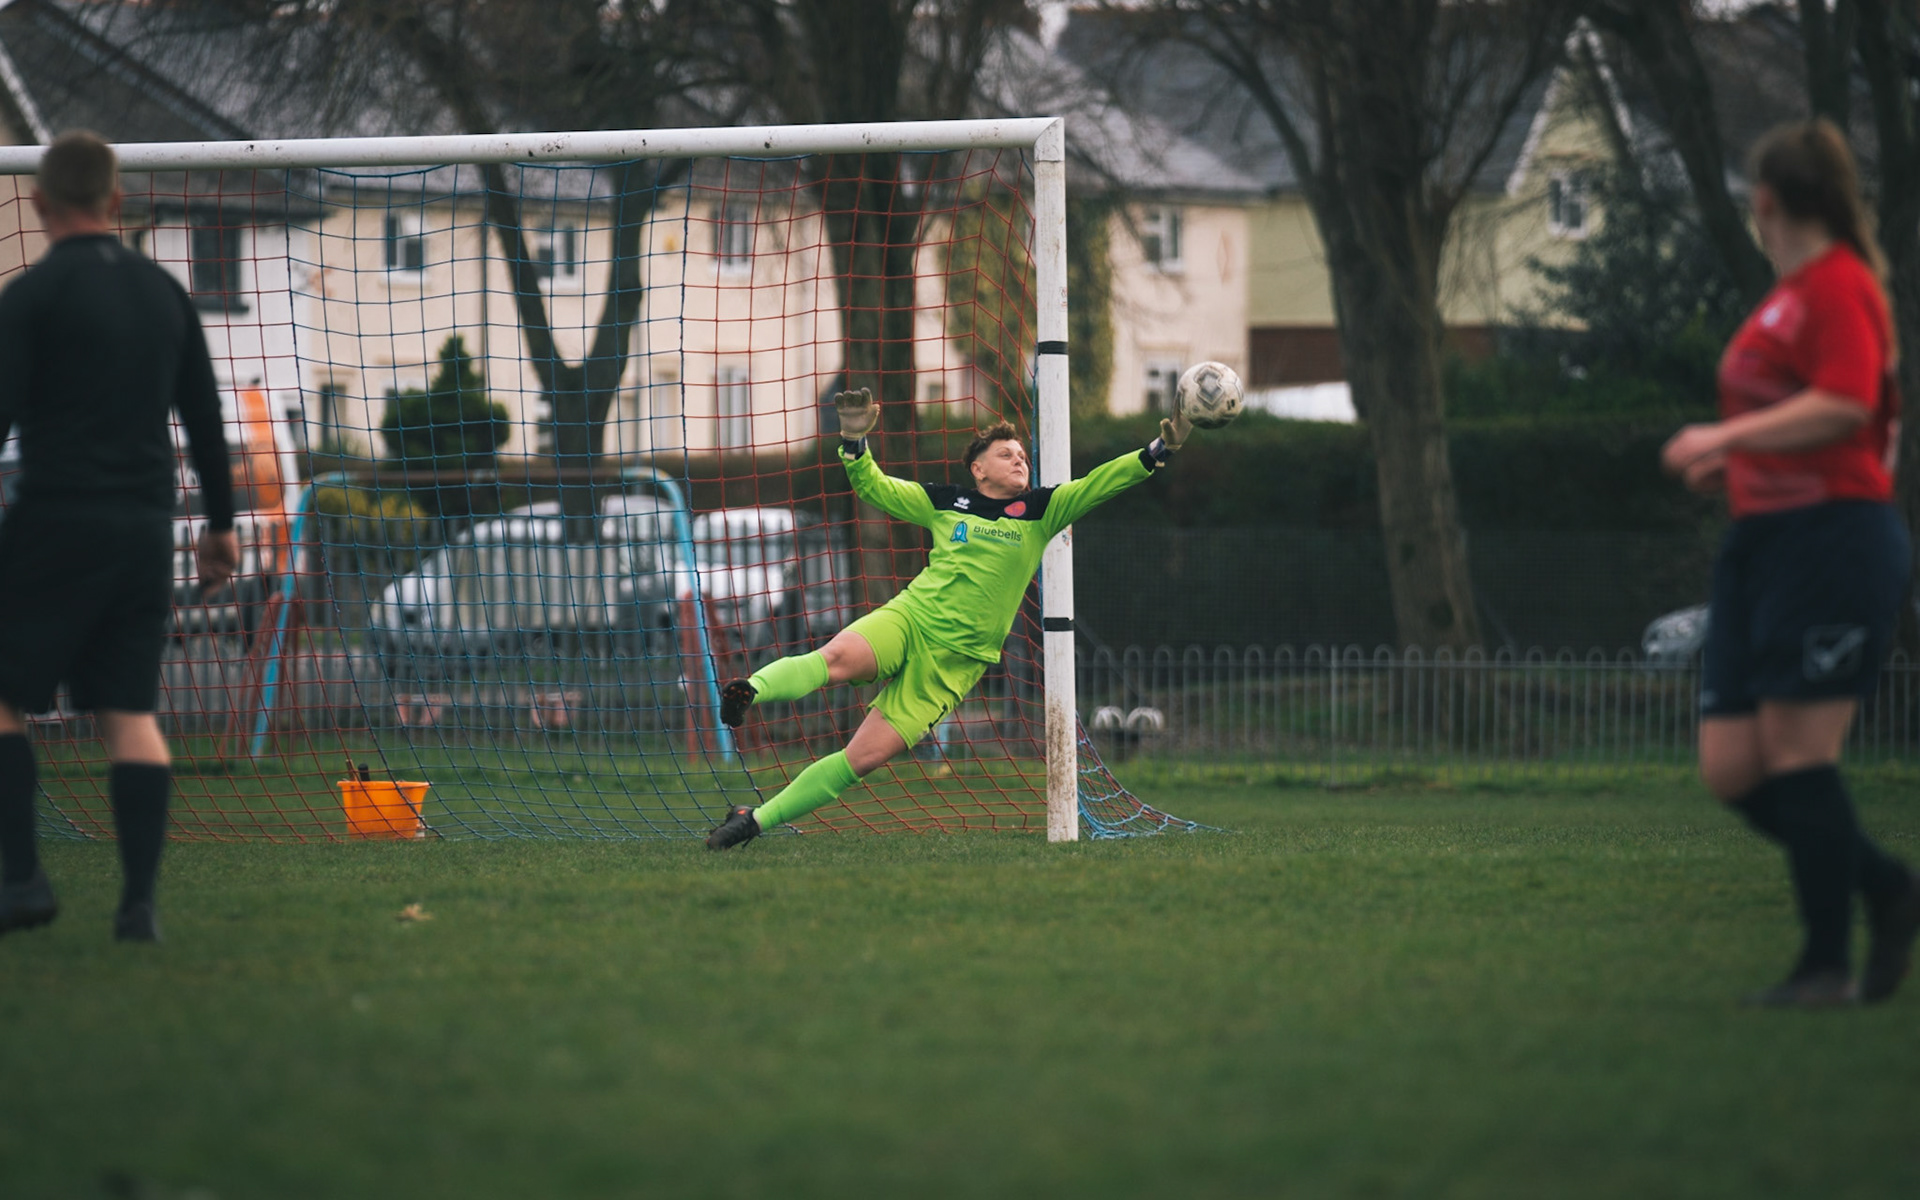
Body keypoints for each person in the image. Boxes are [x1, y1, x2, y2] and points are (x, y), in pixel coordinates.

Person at [1661, 118, 1920, 1008]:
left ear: (1765, 199)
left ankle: (1823, 966)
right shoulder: (1784, 298)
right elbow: (1797, 422)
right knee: (1732, 767)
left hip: (1835, 538)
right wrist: (1731, 467)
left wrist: (1723, 433)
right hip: (1760, 540)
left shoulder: (1840, 286)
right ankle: (1888, 885)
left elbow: (1846, 405)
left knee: (1800, 755)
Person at [705, 387, 1188, 848]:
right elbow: (873, 486)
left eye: (1022, 455)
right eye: (1007, 454)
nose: (1019, 459)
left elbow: (1101, 482)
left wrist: (1158, 450)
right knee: (834, 658)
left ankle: (753, 820)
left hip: (953, 665)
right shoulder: (946, 502)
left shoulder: (1043, 510)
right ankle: (750, 691)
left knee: (862, 758)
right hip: (911, 620)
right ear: (978, 469)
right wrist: (854, 441)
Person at [0, 131, 238, 943]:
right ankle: (138, 906)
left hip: (53, 522)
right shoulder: (166, 297)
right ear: (118, 202)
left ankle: (22, 879)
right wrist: (219, 527)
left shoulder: (28, 300)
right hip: (145, 529)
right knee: (130, 713)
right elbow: (205, 421)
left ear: (37, 205)